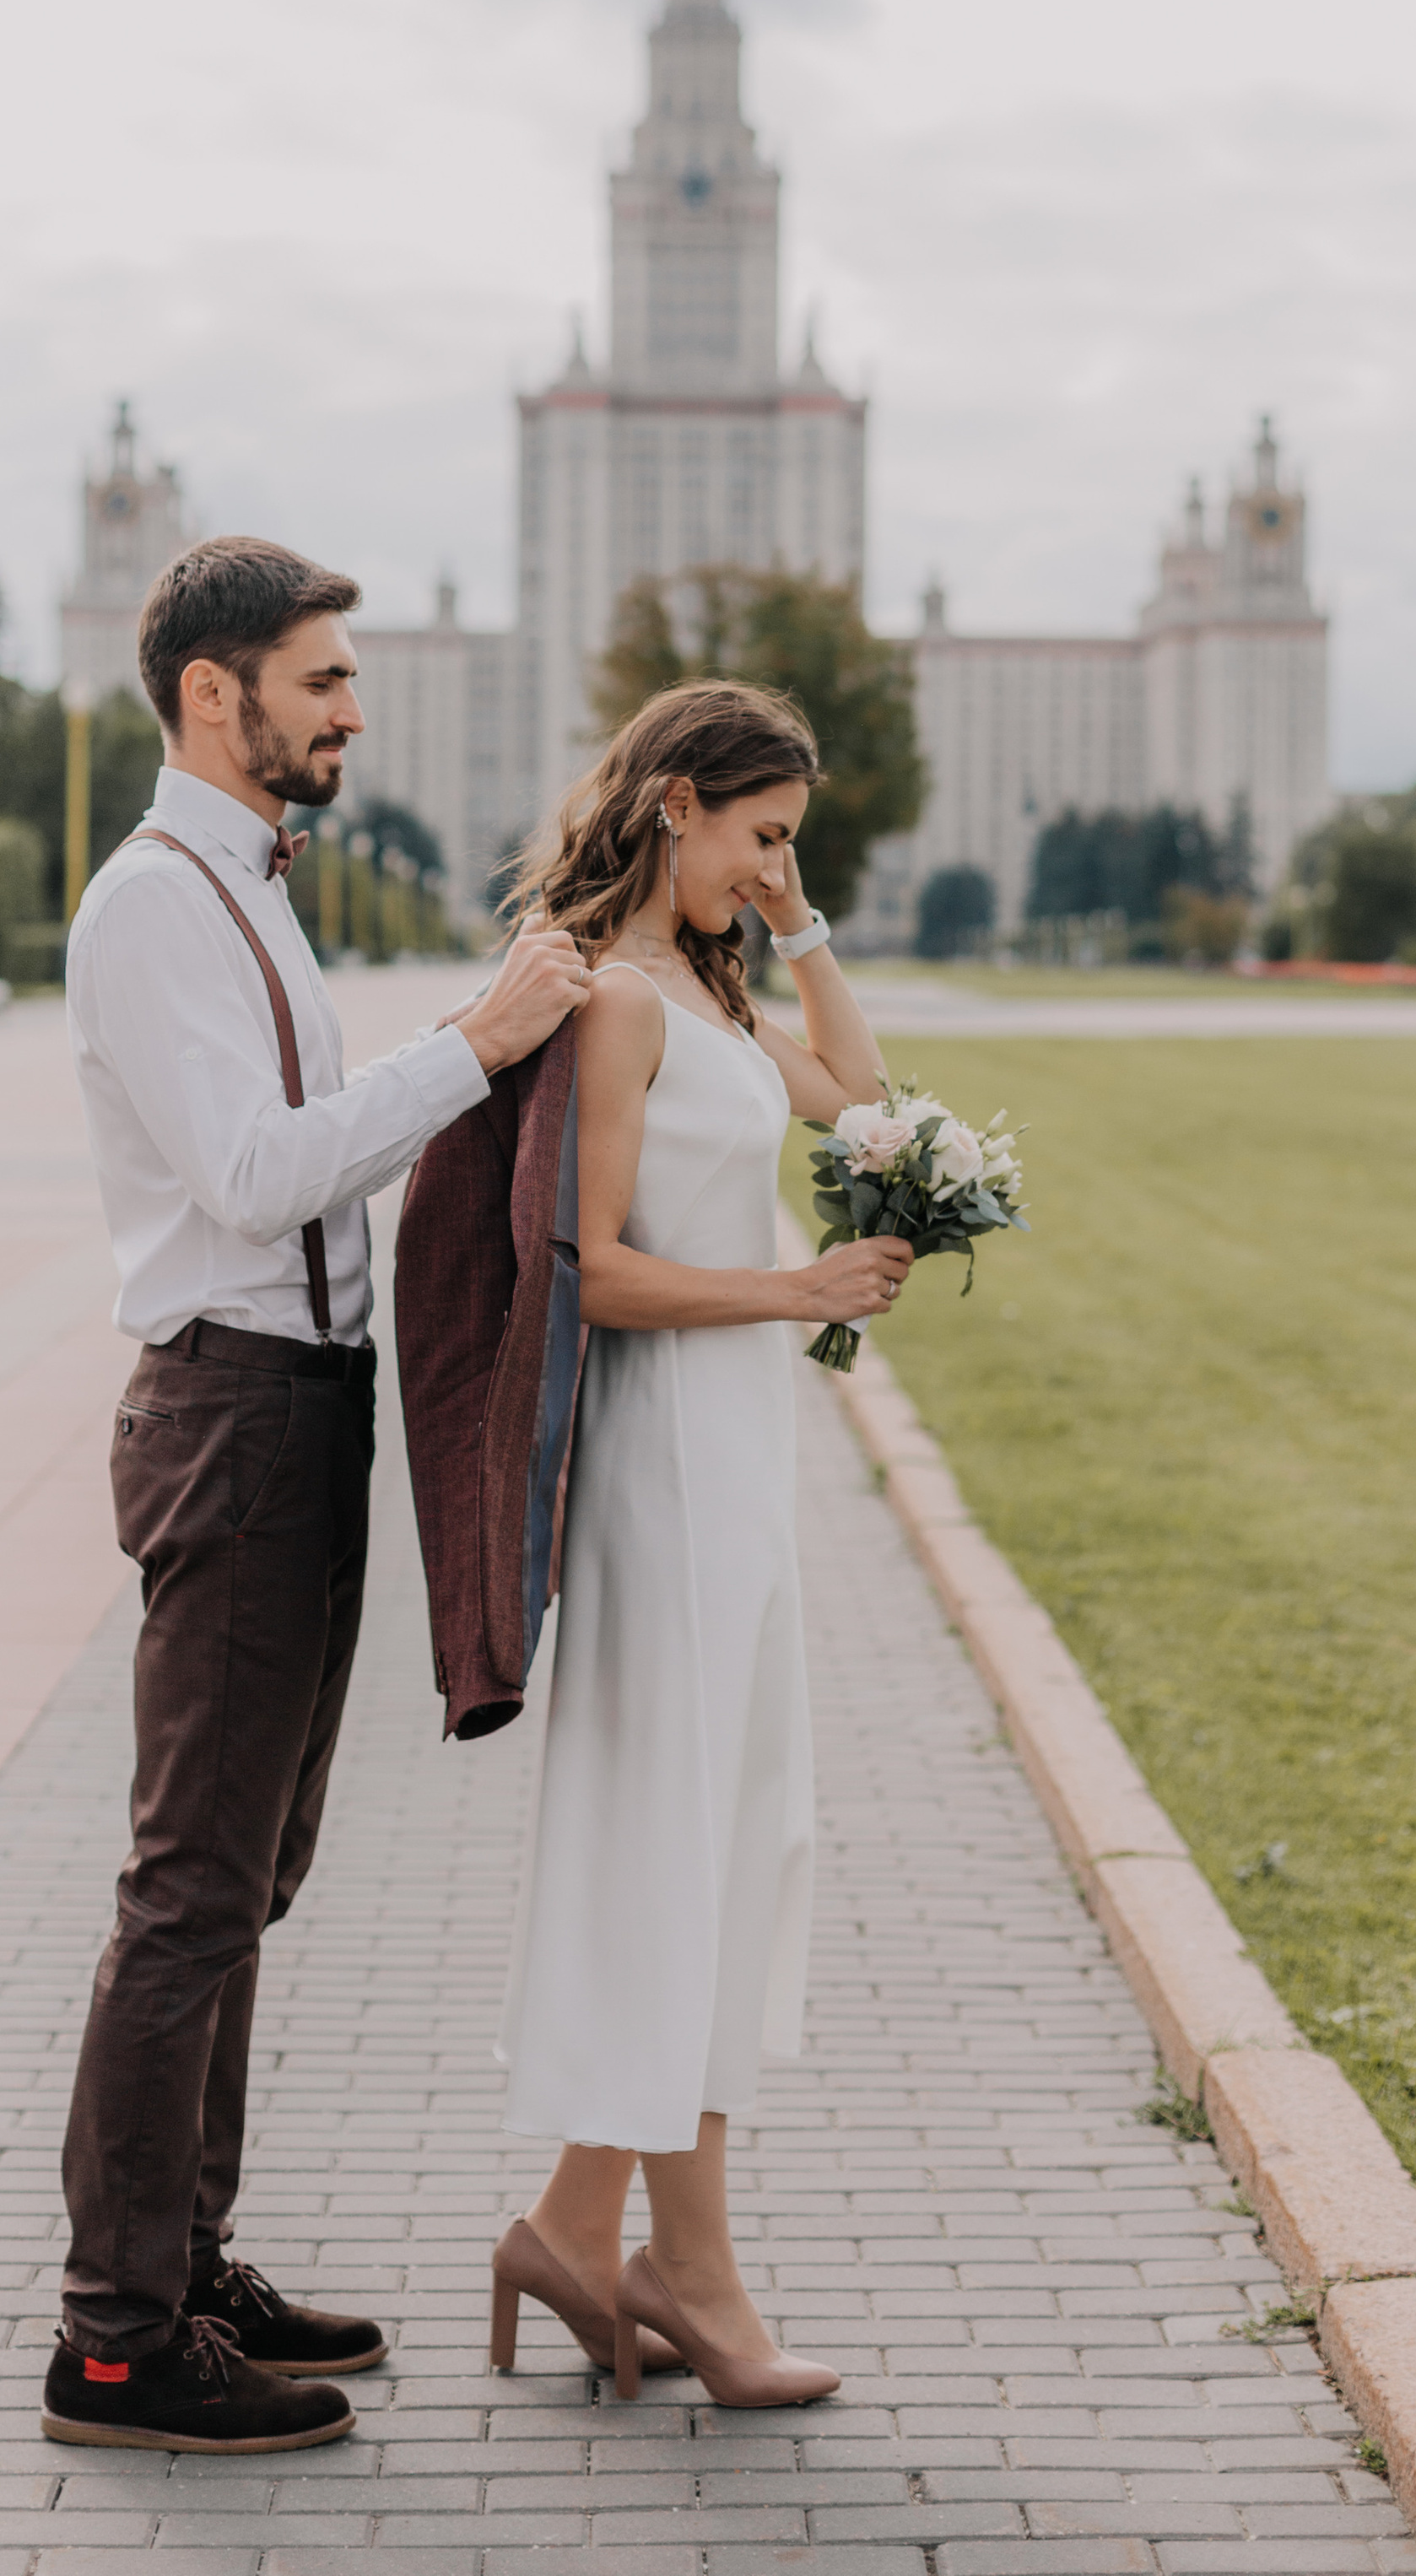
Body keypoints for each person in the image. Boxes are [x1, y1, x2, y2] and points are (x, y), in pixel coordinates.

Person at [44, 535, 590, 2457]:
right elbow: (261, 1176)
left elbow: (305, 1145)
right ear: (217, 691)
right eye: (324, 678)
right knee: (190, 1883)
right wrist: (477, 1043)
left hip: (301, 1409)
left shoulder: (245, 891)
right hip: (229, 1414)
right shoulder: (149, 908)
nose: (353, 708)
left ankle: (186, 2260)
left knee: (253, 1871)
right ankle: (115, 2337)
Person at [489, 679, 913, 2408]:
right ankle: (694, 2274)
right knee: (677, 1850)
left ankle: (576, 2235)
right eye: (761, 836)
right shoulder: (611, 1005)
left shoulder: (720, 998)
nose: (772, 869)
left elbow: (865, 1112)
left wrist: (803, 928)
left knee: (741, 1837)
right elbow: (586, 1267)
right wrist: (791, 1289)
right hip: (662, 1466)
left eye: (788, 844)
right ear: (675, 805)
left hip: (741, 1459)